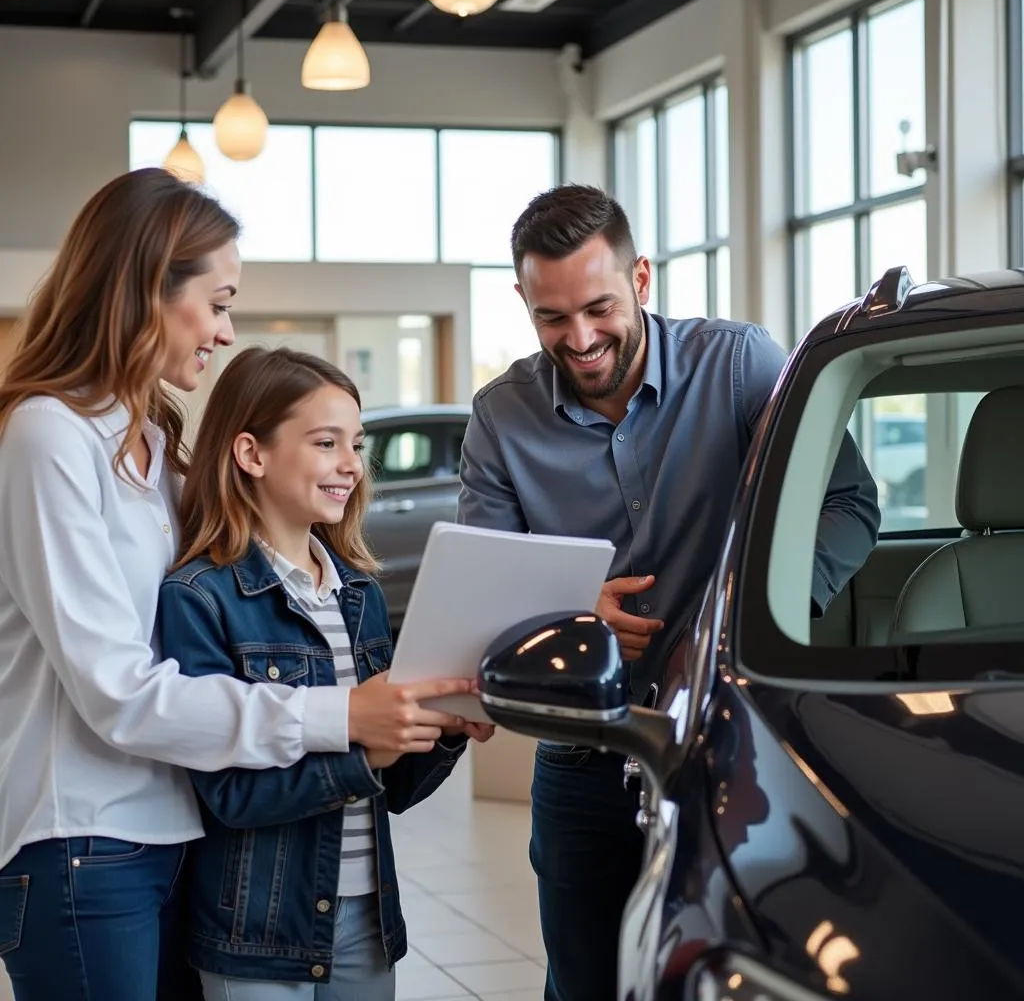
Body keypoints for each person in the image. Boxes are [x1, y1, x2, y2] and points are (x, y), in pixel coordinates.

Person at [0, 168, 469, 1001]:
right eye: (216, 302)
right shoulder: (49, 433)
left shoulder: (151, 446)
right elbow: (116, 691)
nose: (223, 330)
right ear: (148, 288)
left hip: (177, 834)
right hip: (82, 842)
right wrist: (341, 716)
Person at [456, 184, 880, 1001]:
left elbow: (849, 506)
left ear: (641, 279)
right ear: (522, 301)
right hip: (587, 751)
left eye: (598, 307)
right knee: (583, 984)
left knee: (729, 975)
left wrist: (751, 609)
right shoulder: (500, 419)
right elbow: (488, 600)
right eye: (551, 318)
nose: (579, 339)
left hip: (737, 744)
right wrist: (576, 620)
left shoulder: (741, 364)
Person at [157, 345, 493, 1001]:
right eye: (325, 442)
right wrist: (366, 755)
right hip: (255, 931)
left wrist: (445, 729)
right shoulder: (199, 597)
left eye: (356, 443)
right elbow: (228, 793)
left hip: (366, 920)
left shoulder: (360, 593)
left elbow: (393, 790)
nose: (351, 465)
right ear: (251, 453)